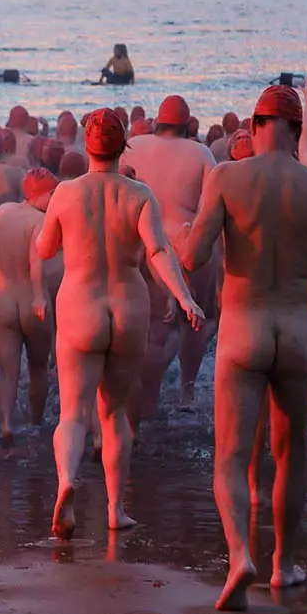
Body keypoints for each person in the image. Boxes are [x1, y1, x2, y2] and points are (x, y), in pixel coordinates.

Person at [179, 81, 307, 605]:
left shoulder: (226, 177)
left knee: (230, 456)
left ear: (255, 125)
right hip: (296, 333)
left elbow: (193, 257)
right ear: (296, 129)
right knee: (289, 457)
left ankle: (240, 553)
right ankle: (283, 567)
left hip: (243, 329)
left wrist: (182, 229)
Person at [35, 109, 203, 537]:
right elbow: (158, 252)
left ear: (86, 148)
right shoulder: (139, 193)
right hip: (128, 307)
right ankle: (114, 509)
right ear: (123, 146)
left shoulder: (66, 193)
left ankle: (68, 482)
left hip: (80, 305)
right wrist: (184, 297)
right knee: (114, 416)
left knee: (73, 413)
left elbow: (45, 248)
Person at [122, 93, 217, 412]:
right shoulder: (201, 152)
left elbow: (116, 189)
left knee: (155, 333)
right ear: (187, 125)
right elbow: (209, 209)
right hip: (185, 241)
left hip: (145, 243)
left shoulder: (134, 146)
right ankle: (187, 394)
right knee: (196, 323)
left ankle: (146, 400)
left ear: (156, 121)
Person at [0, 166, 59, 442]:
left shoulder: (0, 213)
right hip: (32, 301)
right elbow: (36, 262)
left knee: (8, 372)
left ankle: (5, 423)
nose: (55, 198)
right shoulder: (41, 222)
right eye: (52, 193)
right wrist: (41, 296)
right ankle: (35, 423)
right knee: (38, 368)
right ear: (39, 194)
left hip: (2, 299)